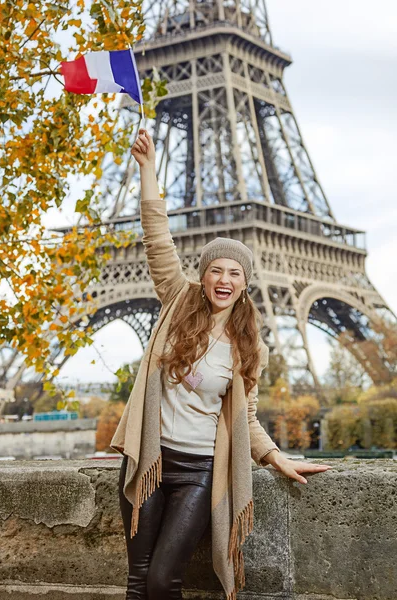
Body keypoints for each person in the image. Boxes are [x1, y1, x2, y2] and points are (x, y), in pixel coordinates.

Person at [110, 129, 333, 600]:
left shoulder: (248, 346)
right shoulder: (177, 301)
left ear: (245, 283)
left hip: (195, 471)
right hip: (149, 457)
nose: (224, 279)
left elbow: (245, 416)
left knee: (162, 579)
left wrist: (276, 457)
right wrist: (148, 171)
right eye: (216, 269)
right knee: (136, 580)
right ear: (203, 275)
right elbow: (156, 239)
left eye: (234, 273)